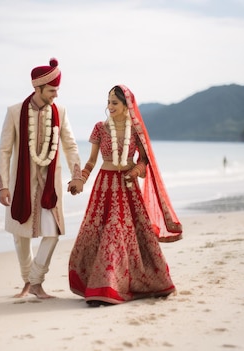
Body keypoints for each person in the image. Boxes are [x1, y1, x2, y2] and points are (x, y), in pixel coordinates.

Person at [68, 84, 183, 306]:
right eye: (108, 102)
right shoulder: (100, 128)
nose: (109, 106)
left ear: (125, 105)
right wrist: (80, 179)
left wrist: (136, 171)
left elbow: (144, 160)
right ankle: (102, 287)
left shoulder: (136, 130)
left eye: (114, 102)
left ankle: (111, 288)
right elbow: (92, 161)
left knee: (120, 234)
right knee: (106, 233)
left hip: (127, 189)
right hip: (104, 188)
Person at [0, 58, 84, 299]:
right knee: (20, 235)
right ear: (38, 88)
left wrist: (77, 175)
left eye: (57, 90)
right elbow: (4, 150)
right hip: (20, 184)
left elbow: (70, 145)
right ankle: (28, 282)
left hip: (49, 185)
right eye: (52, 90)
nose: (56, 95)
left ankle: (36, 280)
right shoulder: (15, 112)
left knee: (53, 232)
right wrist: (3, 186)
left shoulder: (61, 112)